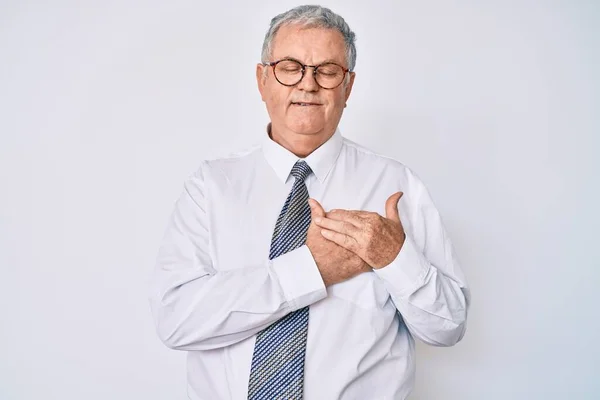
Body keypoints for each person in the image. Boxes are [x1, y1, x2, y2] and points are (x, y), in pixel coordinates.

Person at [149, 5, 470, 399]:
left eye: (327, 71)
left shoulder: (396, 185)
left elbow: (448, 326)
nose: (308, 84)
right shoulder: (211, 186)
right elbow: (176, 320)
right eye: (290, 66)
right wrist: (310, 270)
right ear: (262, 79)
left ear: (348, 87)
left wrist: (394, 257)